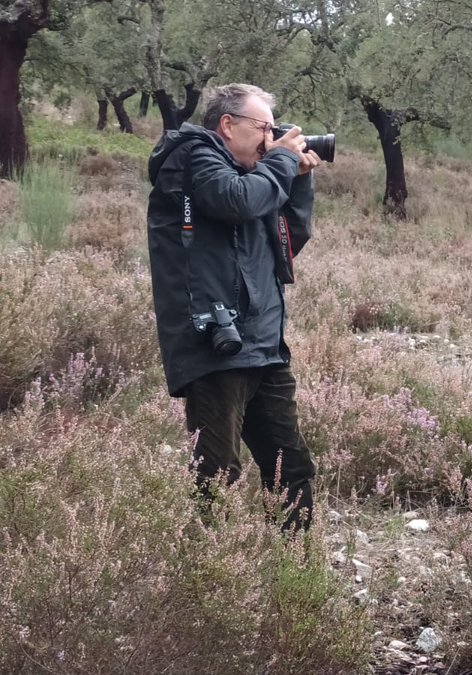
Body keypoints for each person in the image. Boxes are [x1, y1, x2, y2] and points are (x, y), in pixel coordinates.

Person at [146, 83, 323, 531]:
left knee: (293, 468)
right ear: (228, 124)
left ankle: (292, 574)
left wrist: (297, 181)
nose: (270, 137)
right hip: (215, 346)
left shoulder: (253, 177)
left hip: (264, 346)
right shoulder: (193, 156)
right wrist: (281, 159)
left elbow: (287, 243)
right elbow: (232, 202)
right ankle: (206, 584)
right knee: (216, 475)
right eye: (263, 127)